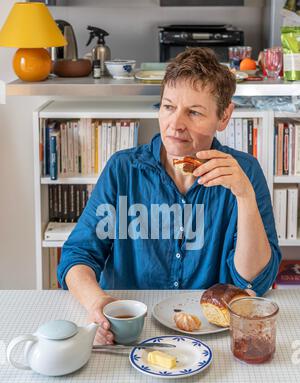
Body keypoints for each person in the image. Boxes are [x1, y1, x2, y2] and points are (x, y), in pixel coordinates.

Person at [57, 48, 281, 345]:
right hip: (131, 333)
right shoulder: (123, 169)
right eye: (168, 107)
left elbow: (254, 280)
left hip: (211, 338)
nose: (175, 125)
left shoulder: (245, 173)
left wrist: (244, 196)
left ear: (224, 115)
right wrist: (95, 301)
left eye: (194, 112)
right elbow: (77, 255)